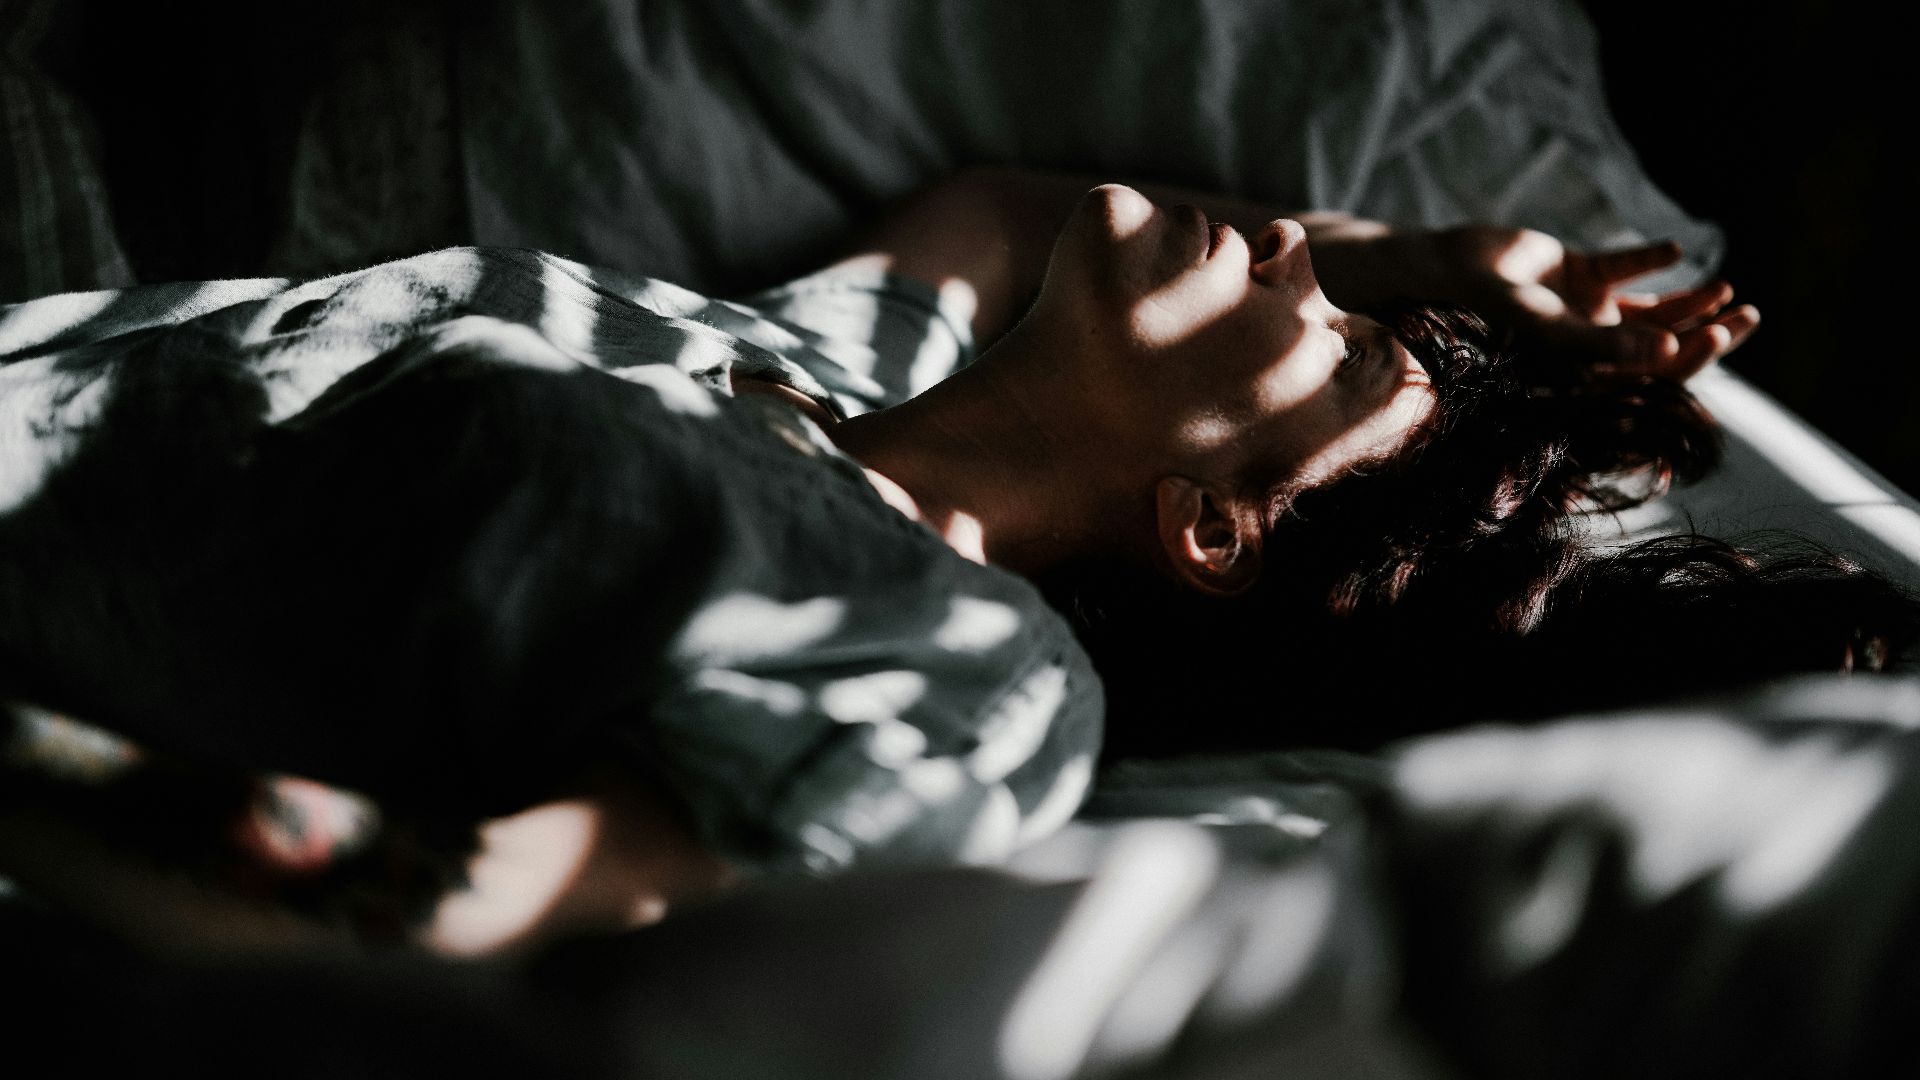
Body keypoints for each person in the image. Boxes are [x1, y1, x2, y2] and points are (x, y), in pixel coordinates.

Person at [0, 167, 1794, 957]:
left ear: (1219, 525)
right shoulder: (829, 366)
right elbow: (1008, 203)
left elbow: (497, 905)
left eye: (1328, 335)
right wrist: (1430, 263)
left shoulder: (971, 668)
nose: (1286, 253)